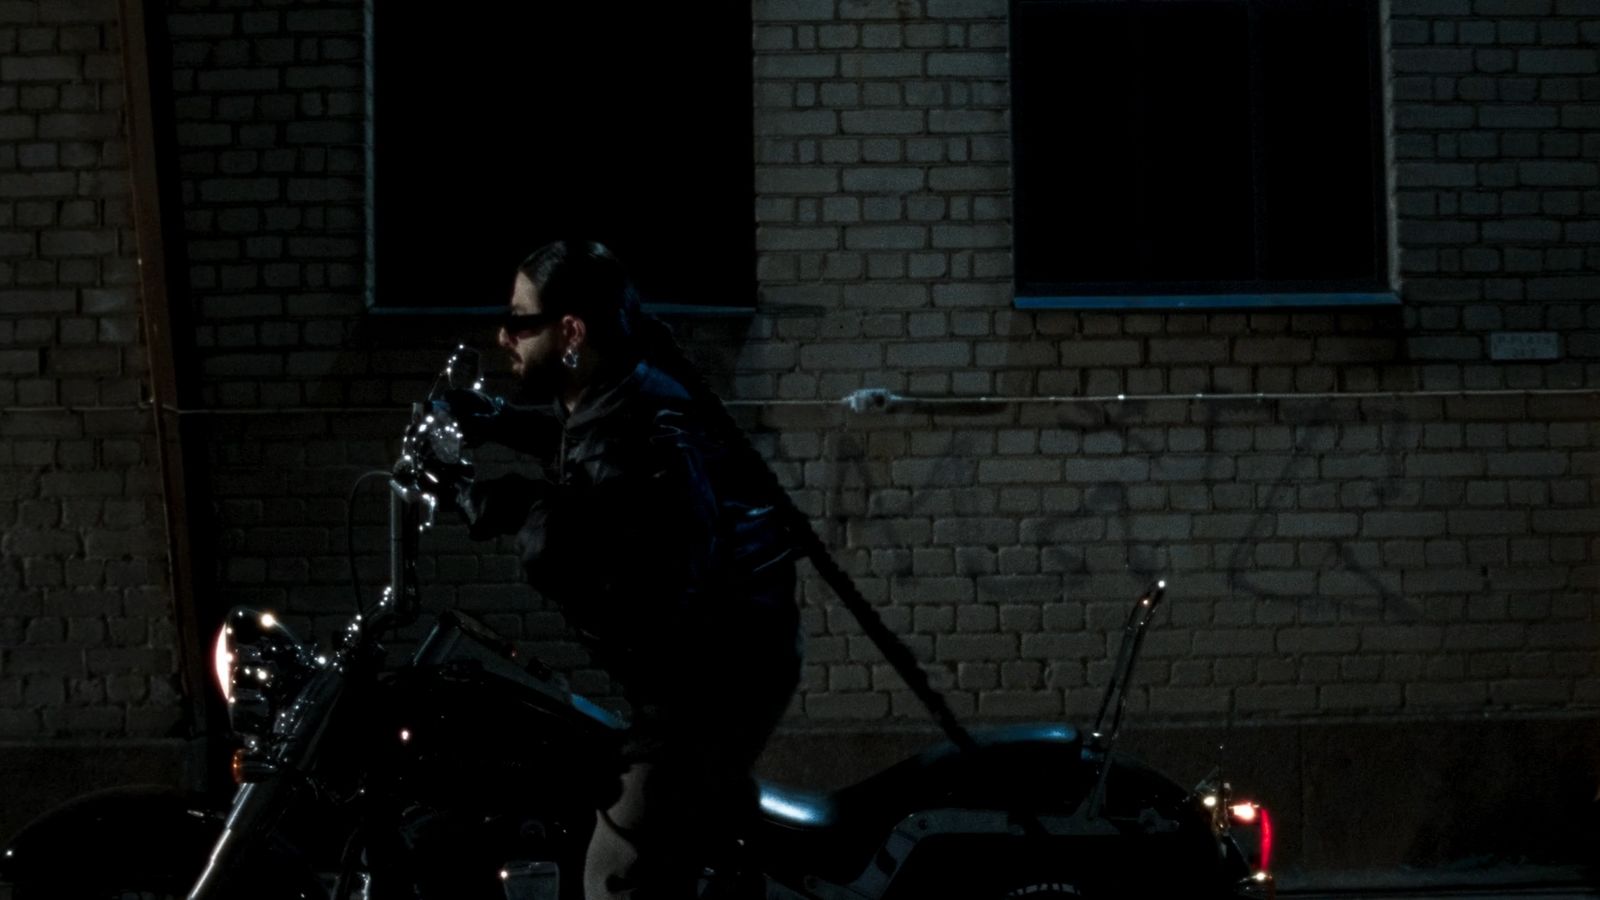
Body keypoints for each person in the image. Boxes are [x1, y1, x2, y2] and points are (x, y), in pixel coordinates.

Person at [442, 240, 802, 900]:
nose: (504, 335)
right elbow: (577, 440)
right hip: (715, 657)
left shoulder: (648, 429)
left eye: (521, 321)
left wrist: (507, 505)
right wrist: (492, 420)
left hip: (720, 673)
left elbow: (641, 560)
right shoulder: (610, 387)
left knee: (615, 868)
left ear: (571, 331)